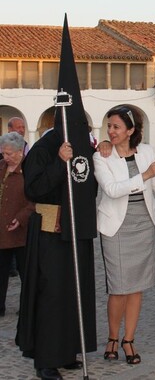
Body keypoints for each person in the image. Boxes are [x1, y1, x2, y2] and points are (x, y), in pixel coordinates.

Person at [93, 106, 155, 365]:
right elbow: (111, 190)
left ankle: (128, 339)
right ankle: (112, 336)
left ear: (131, 130)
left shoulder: (146, 151)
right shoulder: (101, 156)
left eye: (116, 127)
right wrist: (145, 174)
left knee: (136, 288)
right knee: (119, 287)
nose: (111, 131)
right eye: (109, 126)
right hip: (117, 227)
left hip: (144, 224)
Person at [18, 127, 97, 380]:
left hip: (76, 232)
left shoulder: (81, 147)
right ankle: (46, 359)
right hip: (49, 234)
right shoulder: (42, 150)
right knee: (51, 296)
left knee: (73, 294)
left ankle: (65, 351)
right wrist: (59, 163)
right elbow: (34, 189)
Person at [0, 132, 34, 317]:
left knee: (25, 272)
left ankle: (27, 307)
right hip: (2, 230)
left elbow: (34, 201)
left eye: (9, 153)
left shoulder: (29, 171)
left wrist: (21, 218)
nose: (6, 157)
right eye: (3, 153)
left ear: (20, 151)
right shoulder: (1, 167)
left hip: (21, 231)